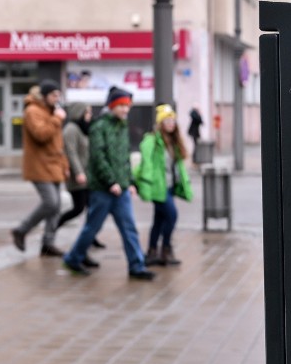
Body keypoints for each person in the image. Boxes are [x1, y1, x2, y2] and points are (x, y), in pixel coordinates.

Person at [62, 87, 155, 280]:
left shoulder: (122, 126)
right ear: (112, 106)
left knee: (129, 227)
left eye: (127, 106)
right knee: (92, 228)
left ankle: (136, 266)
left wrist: (130, 182)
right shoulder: (99, 127)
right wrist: (110, 181)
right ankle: (73, 258)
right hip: (102, 190)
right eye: (121, 106)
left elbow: (124, 158)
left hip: (120, 189)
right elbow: (98, 157)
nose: (125, 110)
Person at [10, 79, 69, 257]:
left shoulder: (50, 112)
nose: (57, 98)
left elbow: (58, 144)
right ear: (44, 96)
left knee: (56, 207)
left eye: (58, 95)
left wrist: (65, 165)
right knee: (50, 202)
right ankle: (21, 229)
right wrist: (57, 119)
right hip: (39, 166)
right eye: (53, 95)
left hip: (54, 165)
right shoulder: (32, 111)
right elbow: (41, 135)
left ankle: (48, 244)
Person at [135, 104, 194, 266]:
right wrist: (145, 185)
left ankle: (153, 252)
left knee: (159, 220)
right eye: (167, 120)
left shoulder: (174, 142)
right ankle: (165, 249)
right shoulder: (151, 140)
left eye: (172, 120)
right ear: (160, 123)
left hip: (169, 187)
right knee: (172, 216)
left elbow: (179, 167)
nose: (170, 124)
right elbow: (146, 164)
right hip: (157, 187)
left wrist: (184, 184)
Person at [55, 102, 105, 248]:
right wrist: (79, 172)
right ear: (79, 113)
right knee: (78, 208)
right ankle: (53, 227)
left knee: (92, 207)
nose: (89, 115)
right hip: (77, 177)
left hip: (87, 176)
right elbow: (71, 153)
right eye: (87, 112)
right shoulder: (71, 129)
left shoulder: (83, 129)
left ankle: (90, 236)